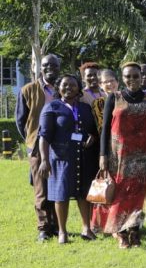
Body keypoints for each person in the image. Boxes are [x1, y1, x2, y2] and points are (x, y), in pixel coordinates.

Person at [98, 62, 146, 248]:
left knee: (137, 194)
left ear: (142, 77)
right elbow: (105, 130)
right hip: (118, 156)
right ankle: (121, 232)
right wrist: (103, 155)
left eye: (135, 76)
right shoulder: (113, 98)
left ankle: (134, 230)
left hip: (142, 155)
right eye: (128, 76)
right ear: (122, 79)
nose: (132, 80)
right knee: (120, 194)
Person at [38, 74, 100, 243]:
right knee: (61, 194)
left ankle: (86, 228)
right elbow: (43, 136)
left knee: (84, 193)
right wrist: (44, 160)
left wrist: (92, 137)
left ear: (78, 88)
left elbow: (94, 130)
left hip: (84, 157)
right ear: (58, 88)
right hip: (61, 158)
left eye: (73, 85)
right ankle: (62, 232)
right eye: (65, 85)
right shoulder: (52, 107)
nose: (69, 88)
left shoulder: (85, 108)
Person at [15, 53, 62, 240]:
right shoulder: (28, 90)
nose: (50, 68)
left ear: (59, 67)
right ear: (39, 67)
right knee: (41, 188)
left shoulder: (64, 88)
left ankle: (58, 226)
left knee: (59, 187)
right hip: (37, 147)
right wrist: (31, 143)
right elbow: (20, 120)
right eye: (46, 65)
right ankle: (44, 228)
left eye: (54, 65)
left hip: (60, 147)